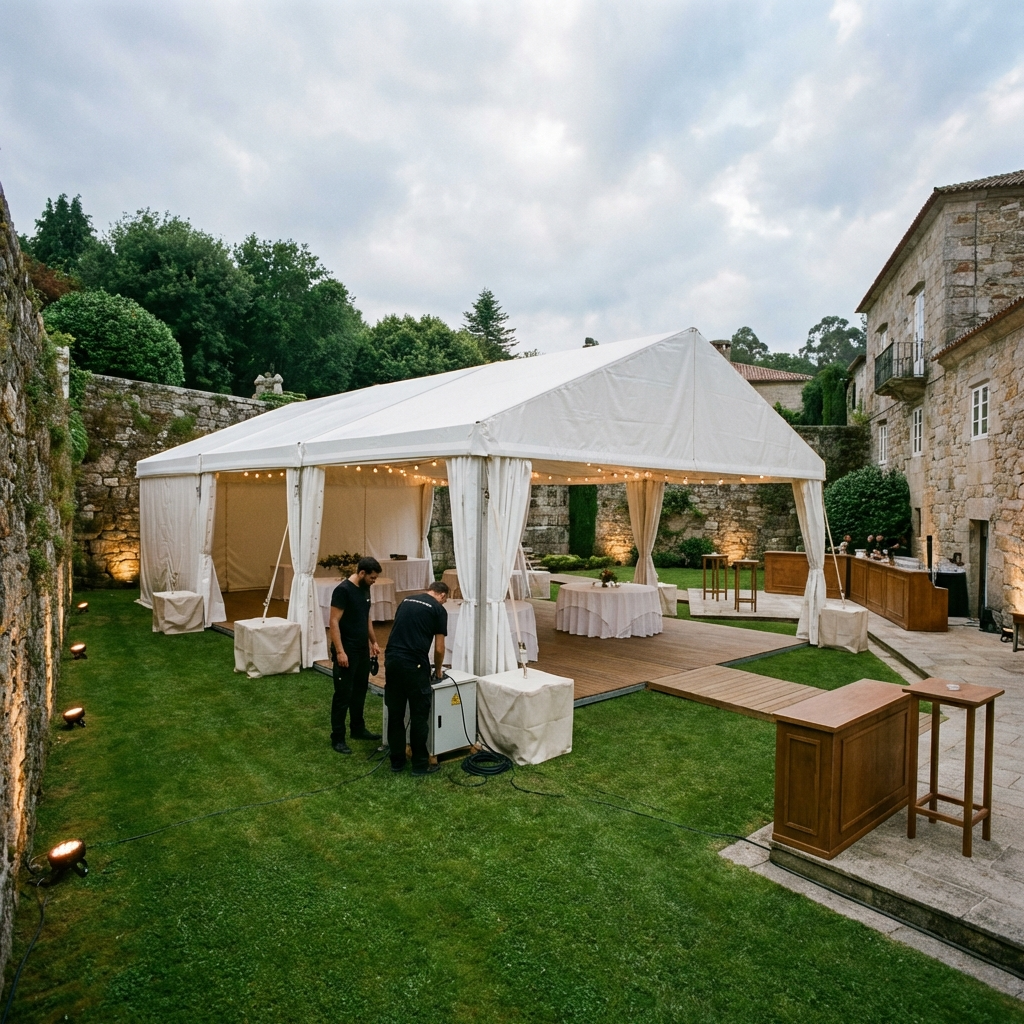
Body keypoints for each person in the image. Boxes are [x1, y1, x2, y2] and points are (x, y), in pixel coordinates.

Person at [383, 580, 449, 776]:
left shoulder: (406, 600)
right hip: (415, 665)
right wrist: (437, 672)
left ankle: (397, 761)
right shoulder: (438, 609)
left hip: (392, 660)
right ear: (443, 595)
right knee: (419, 715)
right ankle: (420, 765)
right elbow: (439, 648)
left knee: (395, 714)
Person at [328, 556, 383, 754]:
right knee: (343, 694)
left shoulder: (365, 588)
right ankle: (338, 737)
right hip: (347, 650)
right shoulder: (343, 591)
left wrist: (373, 641)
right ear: (362, 573)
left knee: (360, 690)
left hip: (361, 650)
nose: (374, 581)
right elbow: (334, 622)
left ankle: (358, 729)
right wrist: (340, 651)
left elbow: (366, 616)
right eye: (372, 577)